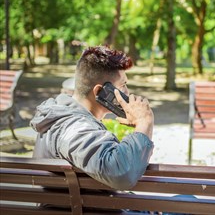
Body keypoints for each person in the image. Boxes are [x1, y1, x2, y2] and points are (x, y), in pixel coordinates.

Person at [30, 46, 154, 190]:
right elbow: (121, 174)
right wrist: (144, 122)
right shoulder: (73, 128)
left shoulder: (64, 119)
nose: (127, 92)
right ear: (100, 92)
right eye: (123, 85)